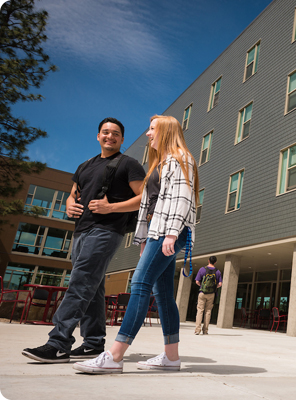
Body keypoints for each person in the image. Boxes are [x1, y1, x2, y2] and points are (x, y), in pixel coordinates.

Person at [73, 115, 199, 374]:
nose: (148, 134)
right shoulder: (160, 164)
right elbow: (149, 204)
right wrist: (144, 238)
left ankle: (115, 356)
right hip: (159, 232)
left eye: (152, 129)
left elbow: (182, 197)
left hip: (169, 231)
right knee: (162, 294)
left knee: (140, 283)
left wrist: (172, 233)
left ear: (165, 131)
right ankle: (171, 357)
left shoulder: (180, 158)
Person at [22, 118, 146, 363]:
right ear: (98, 136)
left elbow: (145, 197)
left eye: (116, 134)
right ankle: (93, 343)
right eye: (105, 132)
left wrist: (111, 208)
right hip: (81, 230)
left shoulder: (129, 165)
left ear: (122, 139)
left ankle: (58, 343)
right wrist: (69, 204)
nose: (110, 136)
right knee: (93, 286)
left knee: (80, 283)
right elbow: (72, 194)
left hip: (107, 230)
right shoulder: (85, 165)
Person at [194, 256, 222, 335]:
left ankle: (197, 330)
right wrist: (213, 287)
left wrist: (202, 286)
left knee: (200, 310)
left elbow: (197, 281)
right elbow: (220, 284)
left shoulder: (202, 269)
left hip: (202, 293)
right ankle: (205, 330)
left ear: (208, 260)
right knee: (208, 311)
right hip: (211, 294)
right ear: (215, 262)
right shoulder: (217, 272)